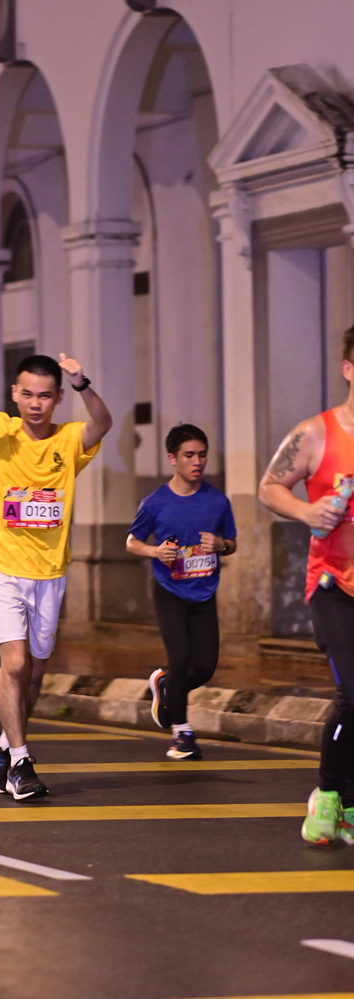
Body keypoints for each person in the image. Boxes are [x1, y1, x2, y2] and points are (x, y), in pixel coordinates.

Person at [0, 346, 112, 800]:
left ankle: (2, 744)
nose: (36, 404)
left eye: (45, 395)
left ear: (58, 398)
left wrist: (82, 383)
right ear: (15, 393)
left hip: (49, 571)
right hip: (0, 565)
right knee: (14, 665)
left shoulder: (68, 439)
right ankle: (20, 762)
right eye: (28, 394)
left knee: (33, 674)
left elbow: (103, 423)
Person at [259, 327, 354, 846]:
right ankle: (329, 793)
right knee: (353, 693)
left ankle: (351, 804)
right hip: (334, 585)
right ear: (348, 369)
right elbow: (269, 486)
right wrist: (306, 511)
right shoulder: (316, 433)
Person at [126, 424, 237, 760]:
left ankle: (166, 686)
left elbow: (232, 543)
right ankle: (182, 734)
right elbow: (131, 542)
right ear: (172, 458)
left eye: (202, 455)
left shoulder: (217, 501)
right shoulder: (155, 502)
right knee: (181, 658)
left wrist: (221, 545)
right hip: (169, 589)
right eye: (189, 455)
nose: (197, 461)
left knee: (204, 667)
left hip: (204, 591)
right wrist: (155, 551)